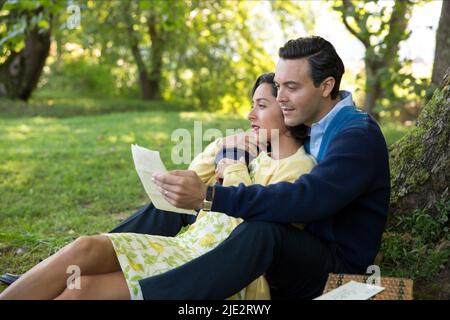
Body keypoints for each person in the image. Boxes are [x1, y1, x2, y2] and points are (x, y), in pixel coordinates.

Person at [109, 35, 390, 300]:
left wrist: (210, 197)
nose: (280, 98)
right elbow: (247, 150)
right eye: (279, 86)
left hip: (335, 271)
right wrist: (217, 168)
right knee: (179, 203)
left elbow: (307, 197)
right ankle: (107, 249)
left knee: (261, 231)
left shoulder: (356, 135)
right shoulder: (309, 123)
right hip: (295, 243)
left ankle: (153, 295)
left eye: (292, 87)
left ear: (326, 86)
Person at [0, 73, 316, 300]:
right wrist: (225, 146)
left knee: (81, 289)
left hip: (219, 270)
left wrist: (233, 166)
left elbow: (251, 237)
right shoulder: (255, 153)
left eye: (260, 106)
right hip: (186, 247)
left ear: (288, 110)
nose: (249, 115)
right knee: (86, 246)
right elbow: (193, 179)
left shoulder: (300, 169)